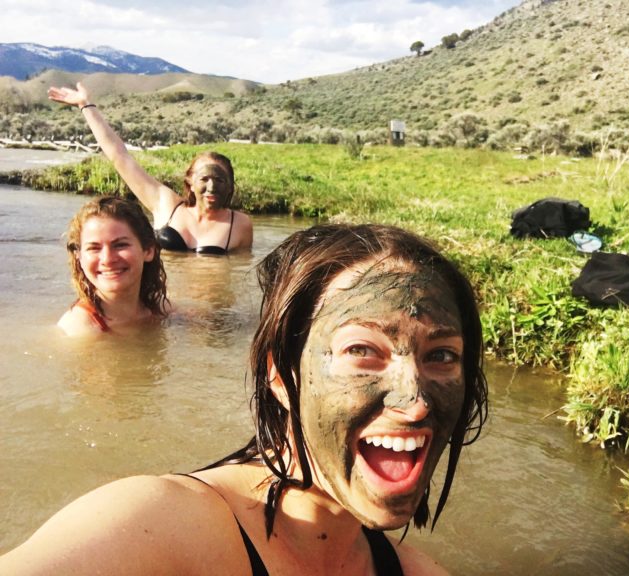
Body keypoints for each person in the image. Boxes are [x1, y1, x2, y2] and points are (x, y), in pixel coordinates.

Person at [1, 223, 488, 574]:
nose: (415, 400)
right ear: (280, 376)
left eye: (442, 355)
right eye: (361, 351)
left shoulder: (416, 570)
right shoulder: (156, 528)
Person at [47, 82, 253, 254]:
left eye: (220, 180)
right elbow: (120, 157)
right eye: (204, 179)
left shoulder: (241, 224)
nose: (212, 187)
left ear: (230, 186)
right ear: (190, 181)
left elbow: (238, 269)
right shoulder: (166, 204)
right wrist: (85, 105)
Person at [58, 196, 171, 336]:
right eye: (94, 248)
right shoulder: (80, 330)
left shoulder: (161, 309)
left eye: (120, 245)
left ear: (148, 251)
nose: (107, 259)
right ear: (79, 256)